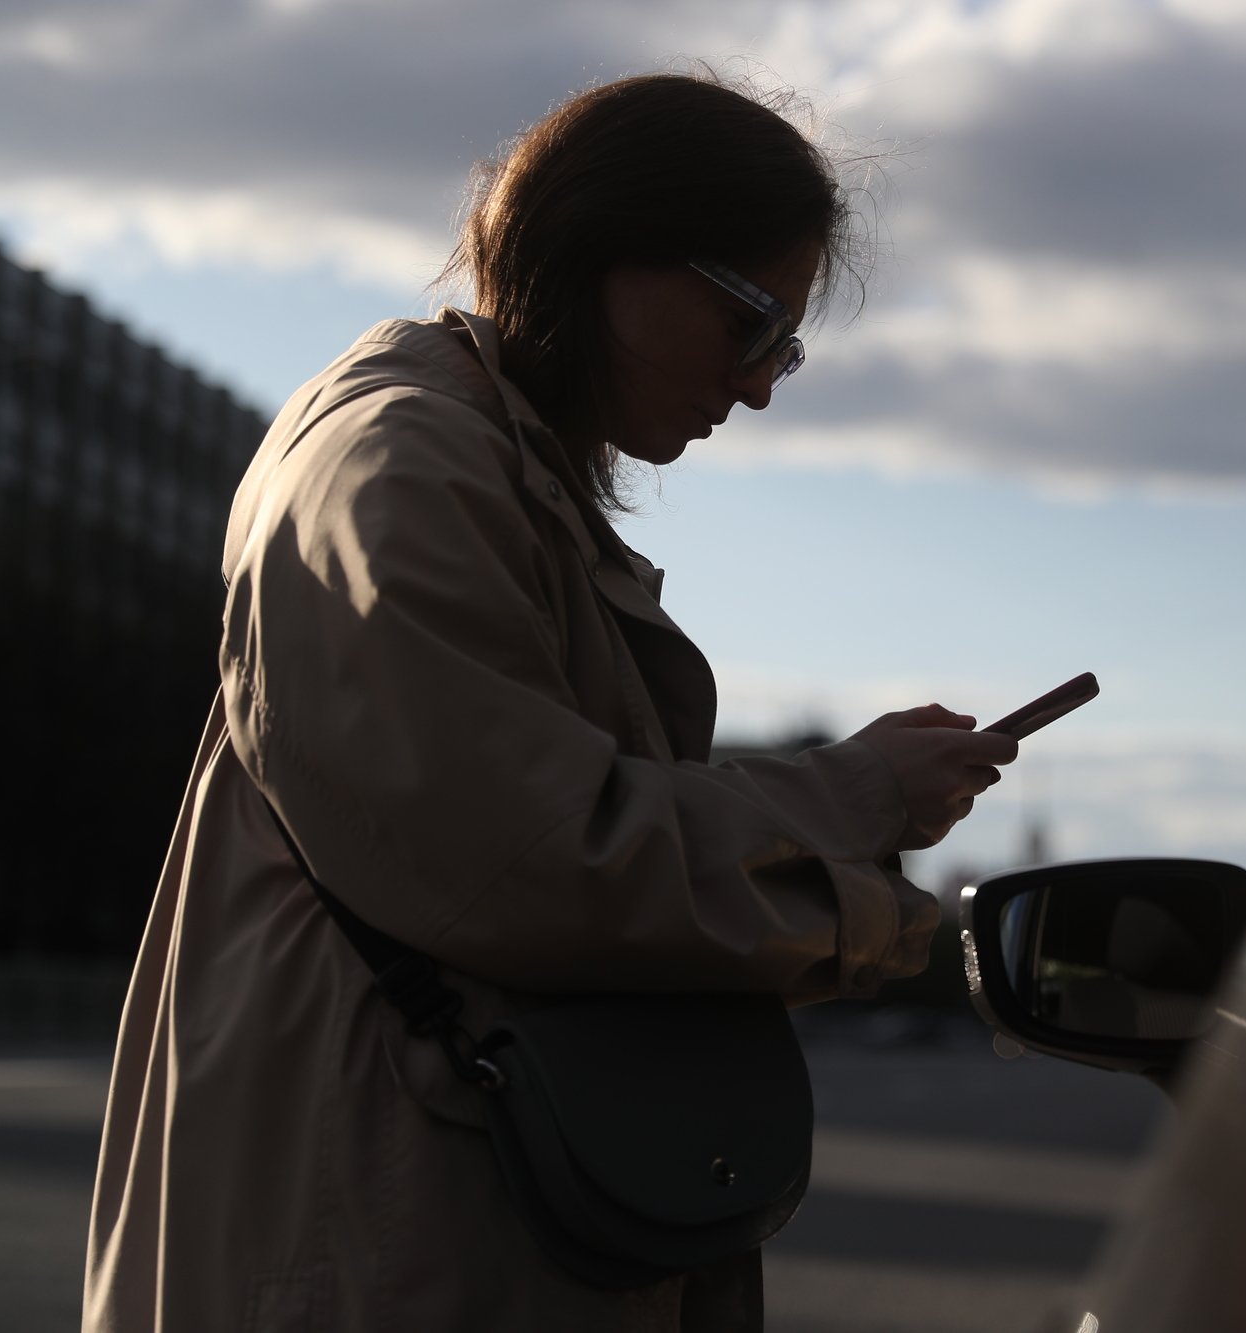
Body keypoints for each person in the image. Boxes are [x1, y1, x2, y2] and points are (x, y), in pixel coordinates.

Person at [83, 71, 1016, 1333]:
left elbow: (562, 839)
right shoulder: (405, 468)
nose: (756, 385)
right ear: (602, 248)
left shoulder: (477, 461)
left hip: (411, 1226)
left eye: (783, 349)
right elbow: (541, 862)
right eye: (751, 324)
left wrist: (860, 840)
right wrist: (858, 820)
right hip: (385, 1245)